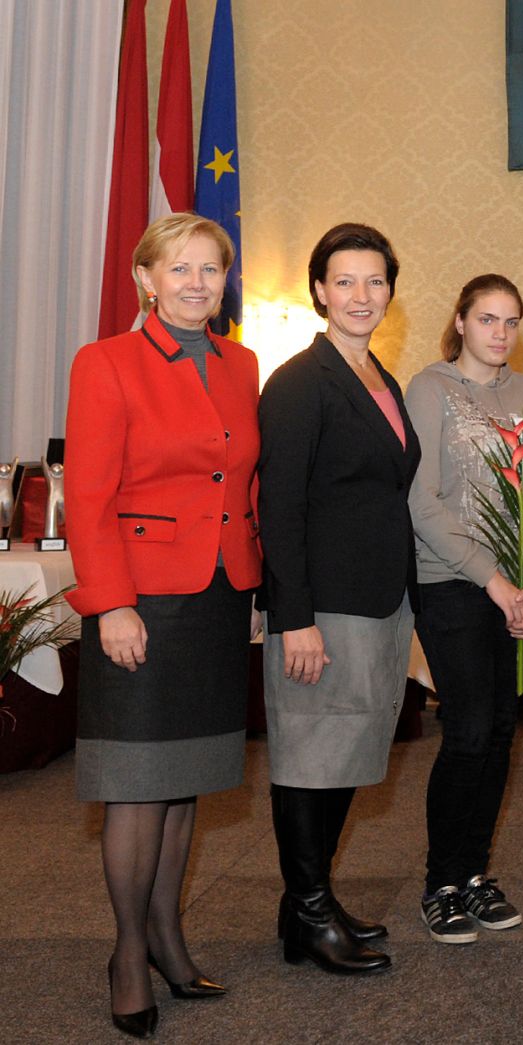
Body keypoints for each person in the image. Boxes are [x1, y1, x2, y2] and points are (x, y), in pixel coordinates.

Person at [66, 213, 259, 1038]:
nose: (196, 283)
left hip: (217, 595)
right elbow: (89, 494)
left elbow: (239, 480)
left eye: (210, 269)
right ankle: (126, 952)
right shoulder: (105, 362)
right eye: (179, 269)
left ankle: (171, 935)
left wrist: (256, 585)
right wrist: (110, 602)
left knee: (185, 784)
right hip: (139, 601)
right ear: (146, 278)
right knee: (136, 787)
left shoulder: (242, 363)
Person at [258, 223, 420, 973]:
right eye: (346, 281)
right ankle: (312, 911)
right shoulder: (298, 382)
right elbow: (279, 509)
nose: (363, 295)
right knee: (308, 756)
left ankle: (307, 906)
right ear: (319, 289)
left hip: (378, 602)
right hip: (322, 609)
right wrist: (294, 619)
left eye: (375, 281)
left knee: (347, 752)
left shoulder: (378, 377)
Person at [404, 274, 523, 943]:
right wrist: (492, 579)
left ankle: (473, 873)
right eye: (487, 318)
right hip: (451, 584)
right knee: (466, 727)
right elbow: (419, 500)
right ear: (460, 320)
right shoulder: (429, 388)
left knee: (500, 729)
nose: (500, 333)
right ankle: (441, 880)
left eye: (511, 321)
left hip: (521, 591)